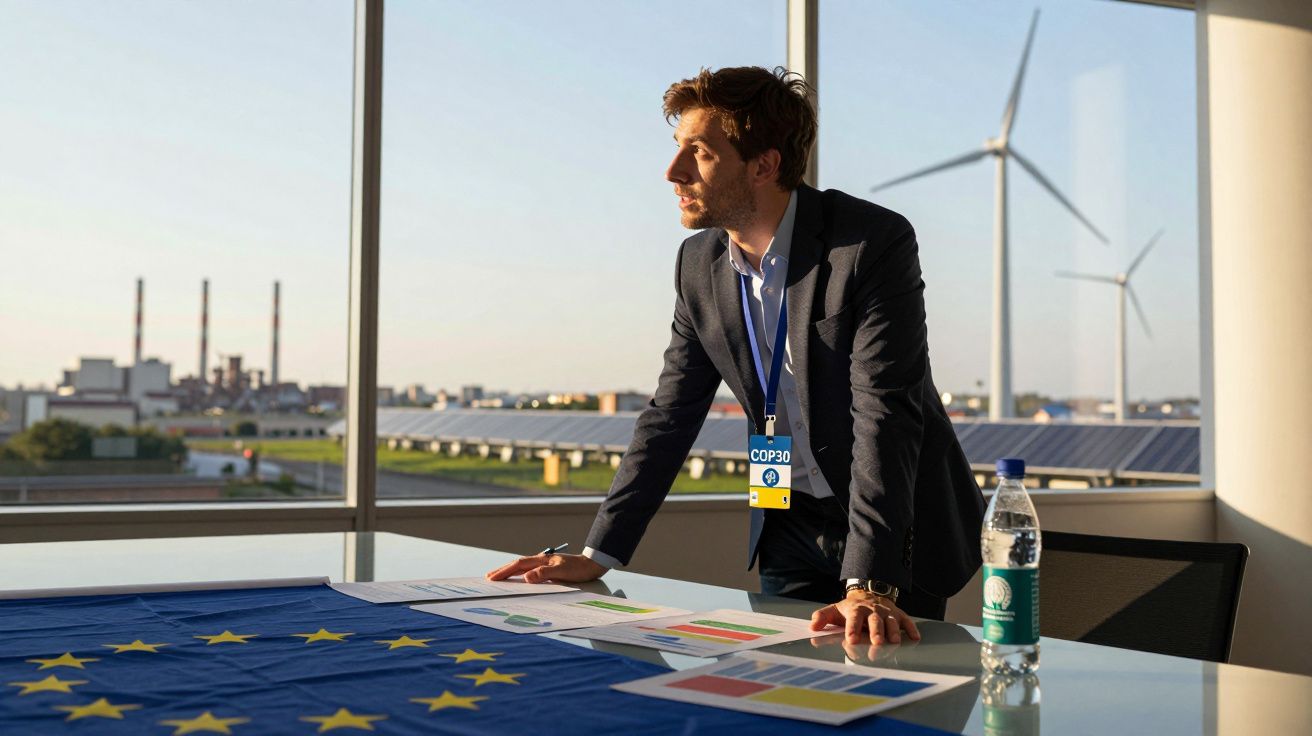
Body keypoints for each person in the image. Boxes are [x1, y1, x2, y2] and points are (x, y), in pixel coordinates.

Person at [489, 66, 985, 645]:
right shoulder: (697, 264)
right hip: (784, 520)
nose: (671, 172)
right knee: (782, 693)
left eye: (697, 152)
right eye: (677, 149)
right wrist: (600, 552)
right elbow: (670, 414)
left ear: (763, 164)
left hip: (892, 527)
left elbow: (885, 410)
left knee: (887, 697)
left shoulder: (869, 243)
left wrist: (870, 579)